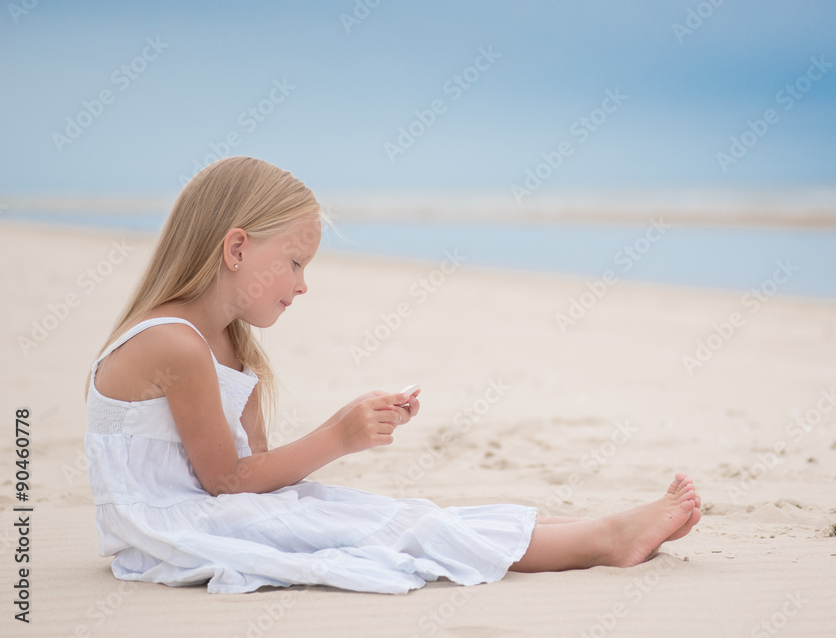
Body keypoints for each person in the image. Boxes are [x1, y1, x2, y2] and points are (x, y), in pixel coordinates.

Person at [84, 156, 701, 594]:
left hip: (214, 507)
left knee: (399, 511)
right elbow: (228, 482)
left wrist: (340, 441)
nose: (304, 284)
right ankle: (607, 541)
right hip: (167, 526)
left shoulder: (229, 344)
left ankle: (595, 527)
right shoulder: (176, 346)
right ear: (237, 248)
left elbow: (260, 475)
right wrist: (340, 436)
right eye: (295, 262)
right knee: (391, 531)